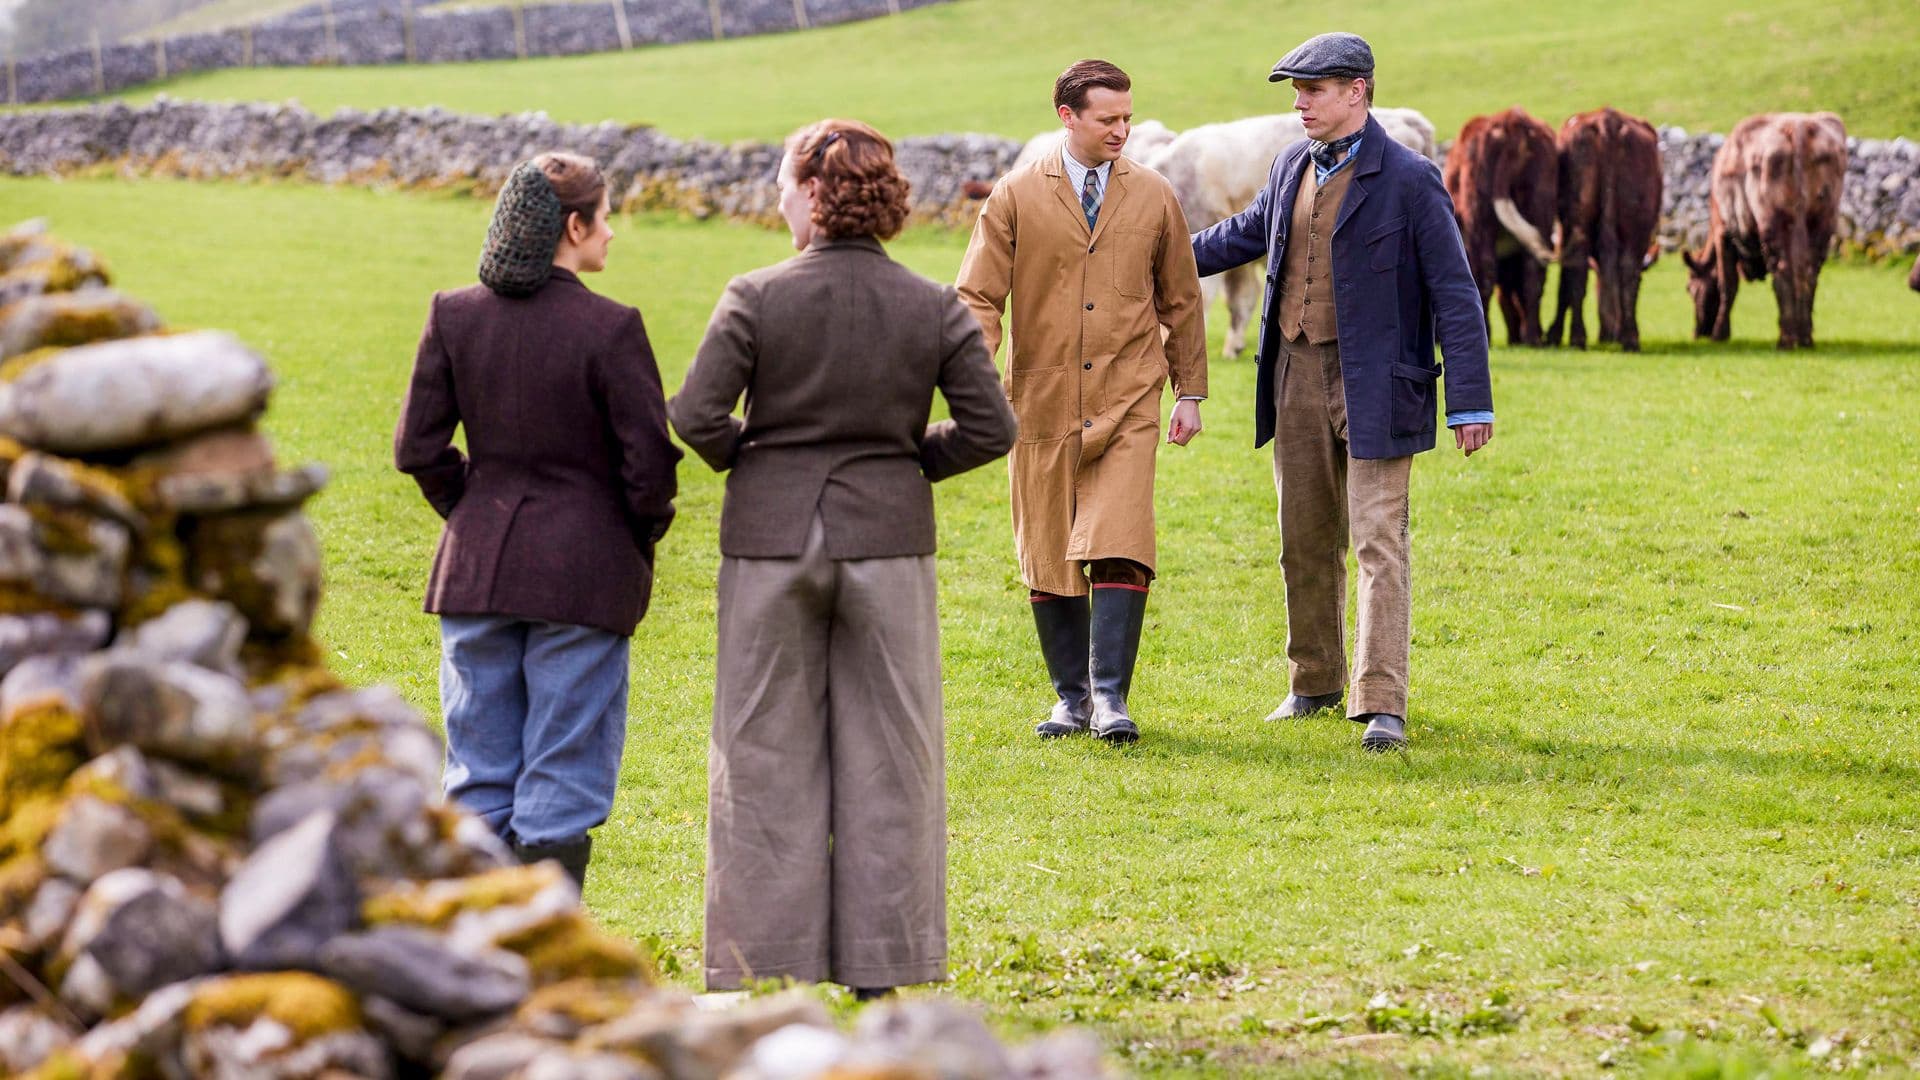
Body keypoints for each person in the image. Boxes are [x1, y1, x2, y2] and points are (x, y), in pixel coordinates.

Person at [671, 119, 1016, 999]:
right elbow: (991, 429)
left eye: (785, 185)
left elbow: (697, 415)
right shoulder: (933, 305)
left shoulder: (755, 294)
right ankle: (883, 966)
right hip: (889, 538)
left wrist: (758, 462)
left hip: (769, 540)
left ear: (813, 194)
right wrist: (907, 462)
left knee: (760, 751)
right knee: (893, 756)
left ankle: (761, 963)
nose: (781, 199)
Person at [1190, 33, 1494, 752]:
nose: (1299, 103)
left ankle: (1381, 701)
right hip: (1292, 372)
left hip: (1380, 384)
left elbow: (1455, 293)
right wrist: (1153, 249)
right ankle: (1314, 683)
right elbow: (1242, 235)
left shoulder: (1412, 178)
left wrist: (1470, 401)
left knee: (1378, 542)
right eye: (1296, 91)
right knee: (1301, 540)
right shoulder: (1289, 164)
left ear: (1357, 91)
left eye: (1313, 90)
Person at [394, 152, 680, 885]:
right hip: (582, 578)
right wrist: (632, 532)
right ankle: (545, 941)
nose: (611, 232)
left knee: (476, 778)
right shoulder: (611, 327)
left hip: (475, 572)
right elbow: (649, 465)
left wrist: (470, 511)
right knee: (561, 775)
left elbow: (417, 449)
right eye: (605, 218)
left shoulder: (452, 313)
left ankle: (475, 938)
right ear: (574, 227)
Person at [956, 59, 1208, 744]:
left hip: (1129, 398)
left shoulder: (1154, 194)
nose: (1122, 130)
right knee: (1050, 550)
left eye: (1128, 117)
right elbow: (977, 296)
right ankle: (1071, 701)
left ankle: (1111, 699)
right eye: (1108, 119)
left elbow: (1182, 299)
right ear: (1067, 116)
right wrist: (976, 381)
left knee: (1122, 540)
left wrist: (1189, 390)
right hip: (1040, 401)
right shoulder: (1014, 195)